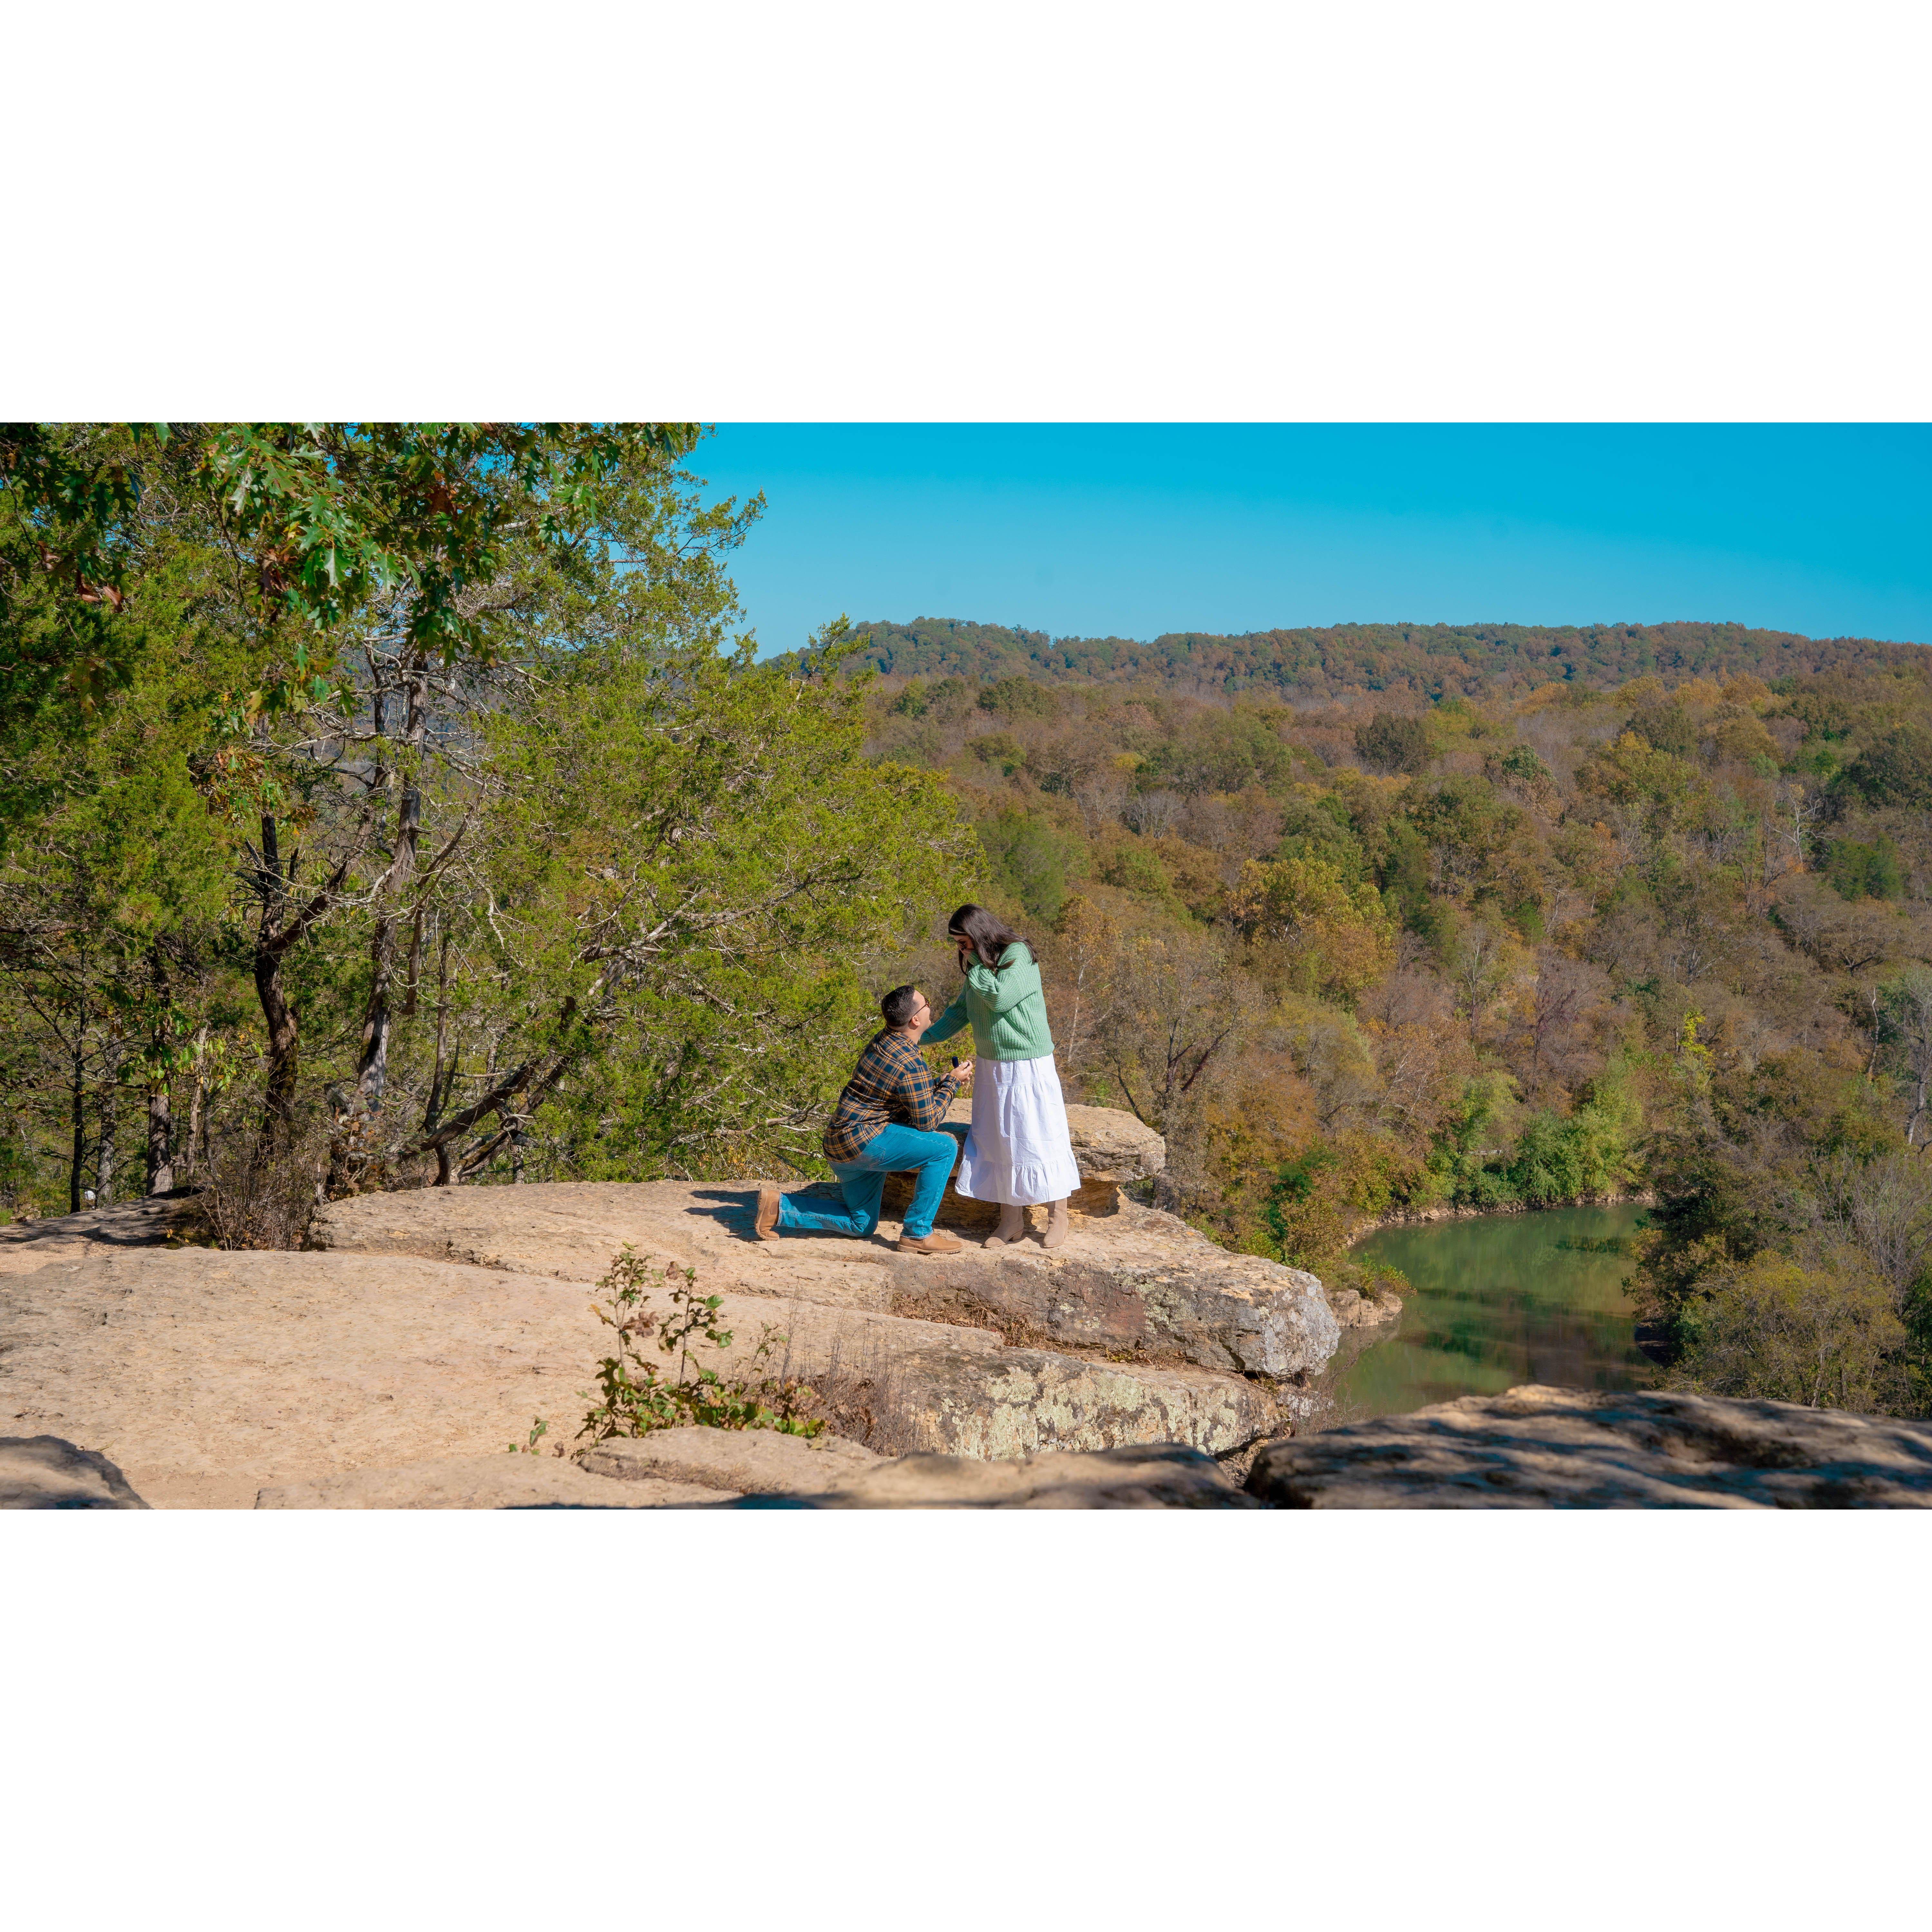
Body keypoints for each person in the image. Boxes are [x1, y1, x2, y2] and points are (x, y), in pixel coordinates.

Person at [753, 984, 971, 1254]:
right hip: (865, 1143)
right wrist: (952, 1084)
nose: (931, 1007)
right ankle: (918, 1233)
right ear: (916, 1020)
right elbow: (927, 1122)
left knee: (862, 1224)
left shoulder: (884, 1040)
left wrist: (942, 1081)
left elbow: (904, 1089)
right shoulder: (910, 1063)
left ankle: (779, 1208)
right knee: (944, 1148)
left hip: (840, 1144)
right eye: (927, 1004)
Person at [921, 903, 1081, 1250]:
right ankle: (1011, 1221)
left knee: (1042, 1137)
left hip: (1028, 1063)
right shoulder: (978, 968)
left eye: (964, 942)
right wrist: (916, 1038)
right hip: (993, 1066)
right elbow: (959, 1013)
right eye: (958, 944)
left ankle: (1058, 1216)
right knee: (1001, 1141)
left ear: (979, 934)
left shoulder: (1017, 955)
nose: (961, 950)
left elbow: (1001, 999)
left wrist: (977, 963)